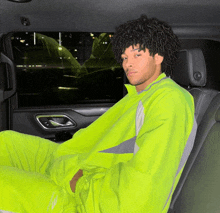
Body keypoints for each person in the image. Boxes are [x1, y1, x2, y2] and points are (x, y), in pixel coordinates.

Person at [0, 15, 196, 213]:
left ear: (159, 56)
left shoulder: (169, 101)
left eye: (137, 55)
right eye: (124, 57)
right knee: (5, 142)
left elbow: (142, 191)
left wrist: (81, 183)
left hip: (84, 199)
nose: (128, 64)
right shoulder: (139, 95)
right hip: (69, 163)